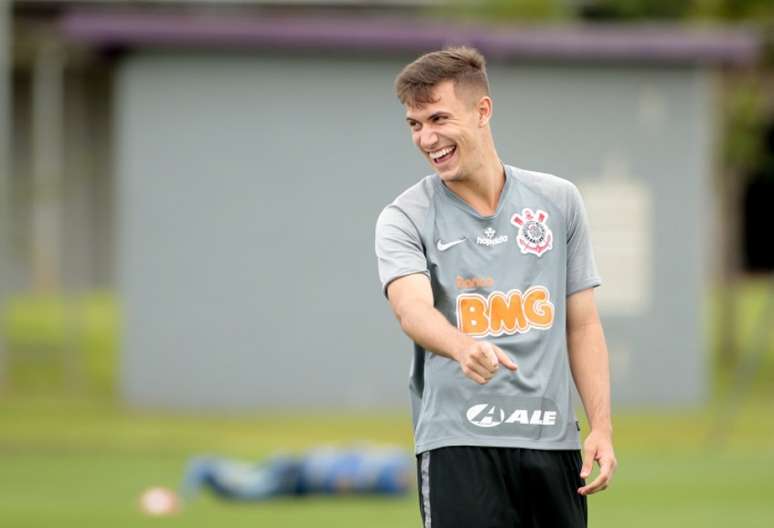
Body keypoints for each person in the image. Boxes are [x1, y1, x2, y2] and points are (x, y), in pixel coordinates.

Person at [374, 47, 617, 527]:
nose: (427, 138)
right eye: (415, 124)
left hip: (552, 443)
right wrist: (462, 346)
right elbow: (412, 311)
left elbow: (583, 324)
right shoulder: (405, 216)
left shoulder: (558, 201)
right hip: (459, 444)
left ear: (482, 110)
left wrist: (601, 428)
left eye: (439, 118)